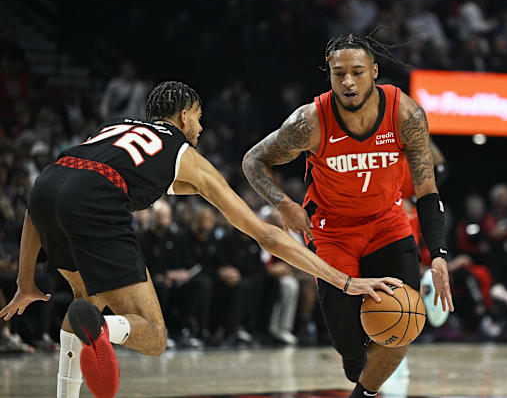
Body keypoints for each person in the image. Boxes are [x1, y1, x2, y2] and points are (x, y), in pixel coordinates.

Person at [0, 81, 402, 398]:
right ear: (183, 114)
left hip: (48, 185)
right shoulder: (184, 153)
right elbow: (263, 234)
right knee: (154, 336)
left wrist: (25, 282)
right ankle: (105, 331)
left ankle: (74, 373)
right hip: (94, 200)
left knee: (83, 303)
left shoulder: (115, 130)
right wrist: (344, 280)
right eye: (198, 117)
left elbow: (42, 202)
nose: (202, 127)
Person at [242, 30, 454, 398]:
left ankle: (364, 395)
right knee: (351, 352)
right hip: (331, 229)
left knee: (404, 321)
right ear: (329, 74)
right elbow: (253, 161)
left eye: (356, 71)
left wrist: (437, 255)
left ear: (374, 71)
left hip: (387, 222)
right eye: (339, 73)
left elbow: (427, 190)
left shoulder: (405, 113)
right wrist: (283, 203)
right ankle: (357, 367)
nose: (348, 81)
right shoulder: (310, 121)